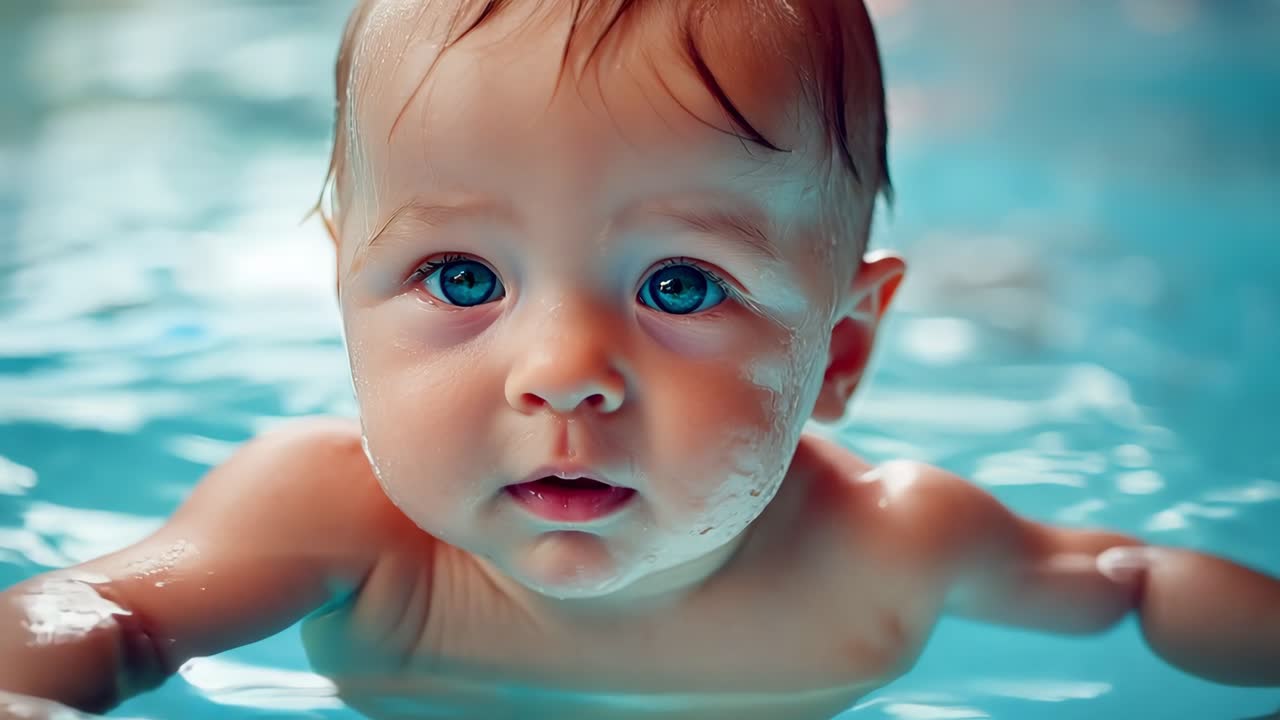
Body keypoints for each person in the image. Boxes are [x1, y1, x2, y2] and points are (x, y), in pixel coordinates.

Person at [1, 1, 1277, 718]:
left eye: (680, 285)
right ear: (342, 297)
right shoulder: (333, 521)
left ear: (837, 352)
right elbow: (99, 618)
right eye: (461, 279)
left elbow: (1126, 578)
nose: (562, 373)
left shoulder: (896, 545)